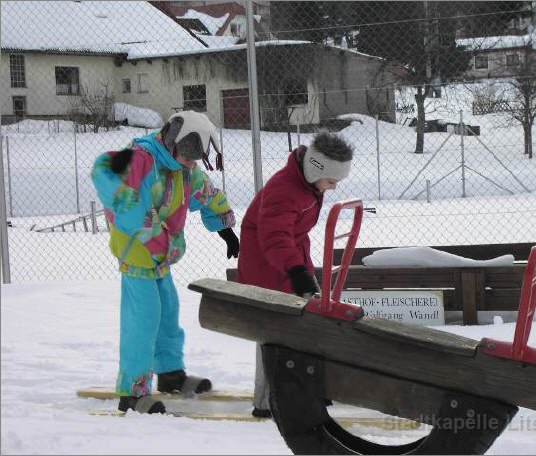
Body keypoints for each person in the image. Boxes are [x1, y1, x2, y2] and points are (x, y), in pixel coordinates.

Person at [91, 111, 240, 414]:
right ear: (173, 144)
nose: (192, 163)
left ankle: (170, 374)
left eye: (196, 158)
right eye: (188, 156)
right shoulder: (140, 158)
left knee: (167, 312)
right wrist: (135, 214)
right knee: (143, 319)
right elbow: (102, 171)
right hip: (137, 255)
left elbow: (206, 192)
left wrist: (225, 228)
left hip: (160, 257)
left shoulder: (181, 169)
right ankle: (132, 391)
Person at [237, 131, 354, 417]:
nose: (333, 188)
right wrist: (296, 270)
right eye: (332, 181)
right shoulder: (284, 189)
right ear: (316, 169)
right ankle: (267, 401)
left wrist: (301, 267)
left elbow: (293, 233)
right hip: (266, 267)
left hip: (288, 261)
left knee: (307, 324)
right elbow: (275, 237)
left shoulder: (309, 186)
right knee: (273, 331)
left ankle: (306, 387)